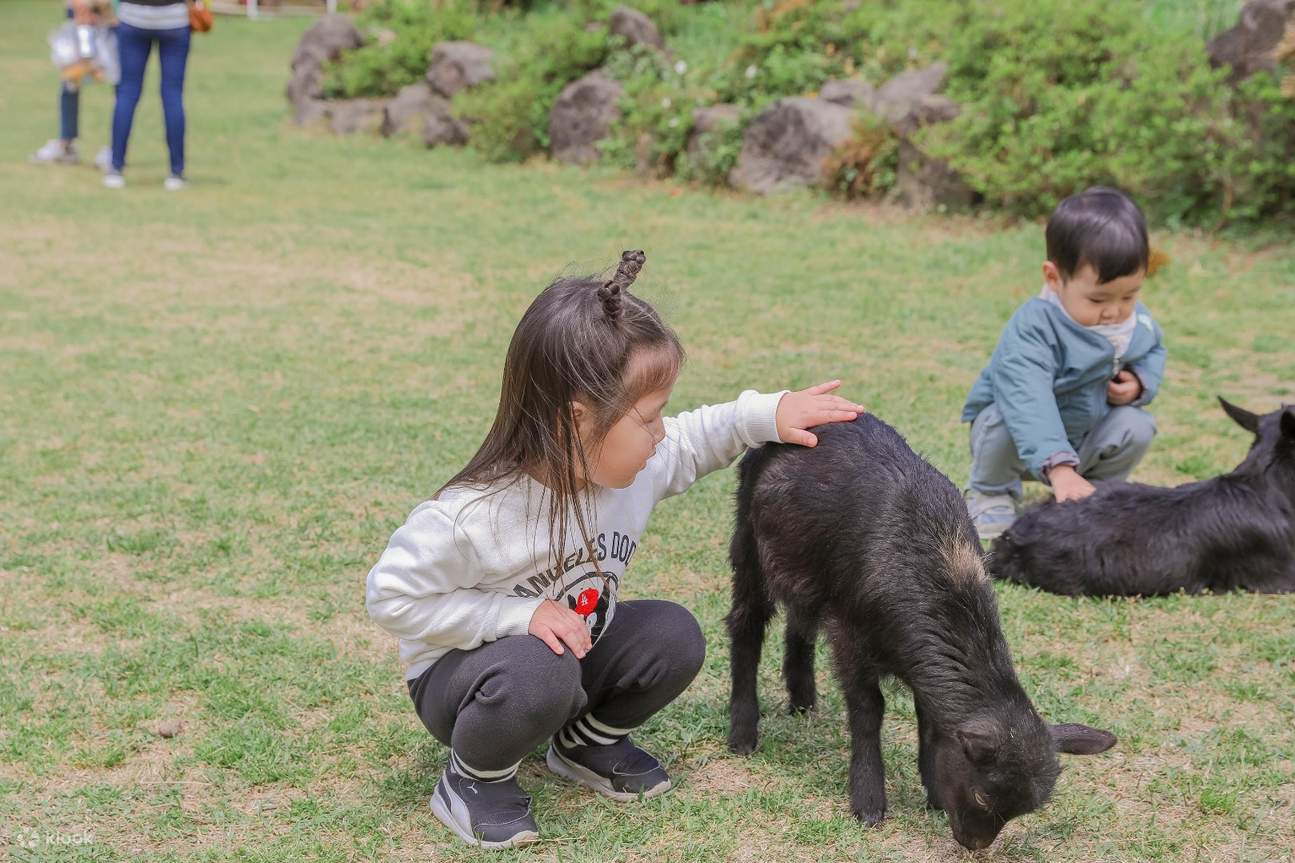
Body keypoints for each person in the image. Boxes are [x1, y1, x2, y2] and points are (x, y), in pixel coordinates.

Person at [366, 251, 864, 849]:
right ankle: (473, 779)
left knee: (673, 634)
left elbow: (697, 436)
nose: (662, 433)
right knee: (540, 671)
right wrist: (514, 615)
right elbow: (390, 597)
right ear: (574, 421)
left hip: (568, 653)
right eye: (649, 418)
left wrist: (768, 413)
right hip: (468, 683)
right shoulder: (473, 516)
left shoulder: (631, 470)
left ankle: (585, 744)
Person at [962, 187, 1168, 540]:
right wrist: (1058, 467)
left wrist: (1139, 381)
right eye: (1098, 299)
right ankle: (990, 492)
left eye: (1129, 295)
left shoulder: (1134, 323)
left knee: (1137, 425)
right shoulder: (1034, 327)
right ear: (1054, 278)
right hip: (1021, 441)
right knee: (1001, 420)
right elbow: (1027, 398)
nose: (1114, 311)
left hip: (1085, 434)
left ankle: (1097, 492)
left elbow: (1153, 349)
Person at [104, 0, 191, 190]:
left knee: (127, 93)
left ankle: (115, 168)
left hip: (132, 17)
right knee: (172, 95)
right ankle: (176, 173)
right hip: (174, 18)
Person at [30, 0, 113, 170]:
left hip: (111, 20)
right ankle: (66, 144)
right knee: (70, 80)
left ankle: (116, 149)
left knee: (121, 86)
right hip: (79, 19)